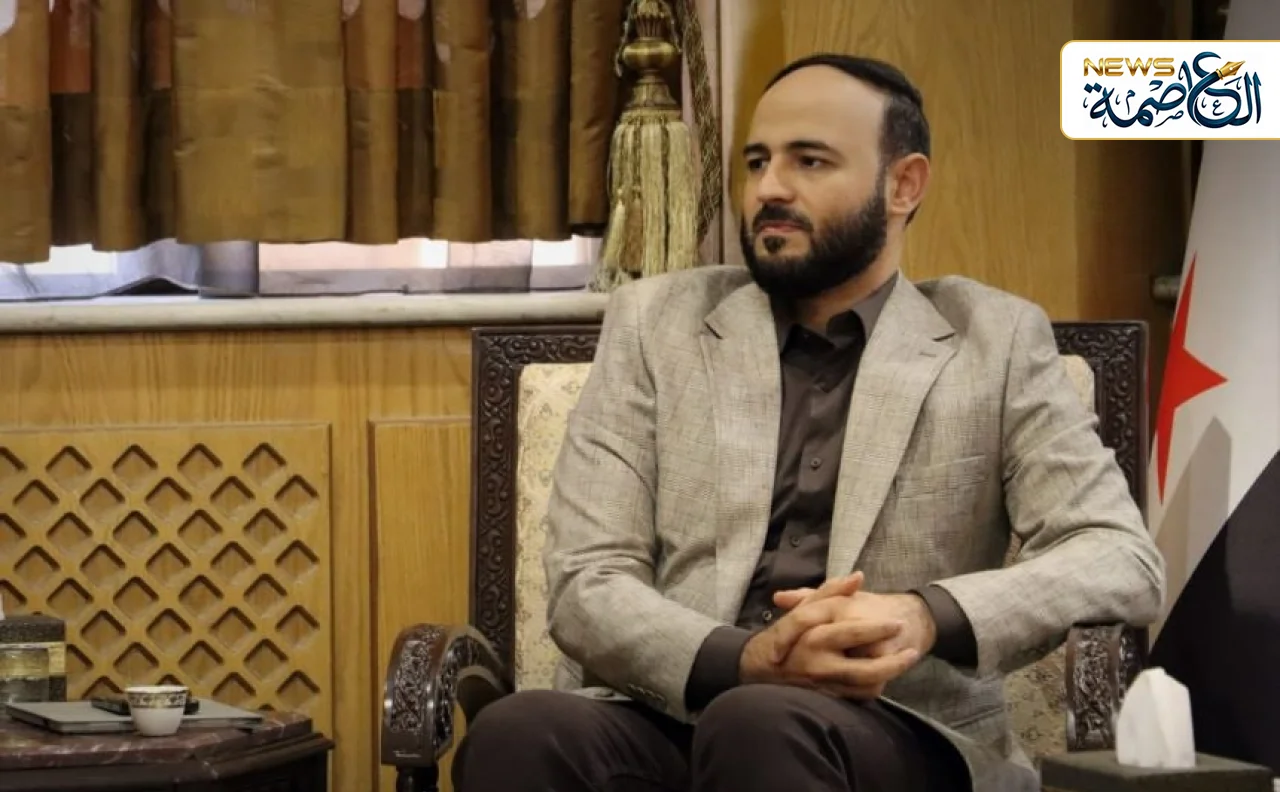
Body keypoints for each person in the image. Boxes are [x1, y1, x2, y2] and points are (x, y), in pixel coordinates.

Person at [452, 53, 1165, 792]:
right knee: (518, 731)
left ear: (903, 184)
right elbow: (587, 579)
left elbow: (1118, 556)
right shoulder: (657, 324)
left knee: (762, 722)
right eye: (757, 161)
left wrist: (922, 615)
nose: (769, 188)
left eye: (810, 160)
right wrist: (744, 659)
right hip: (679, 705)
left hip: (896, 725)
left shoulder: (996, 340)